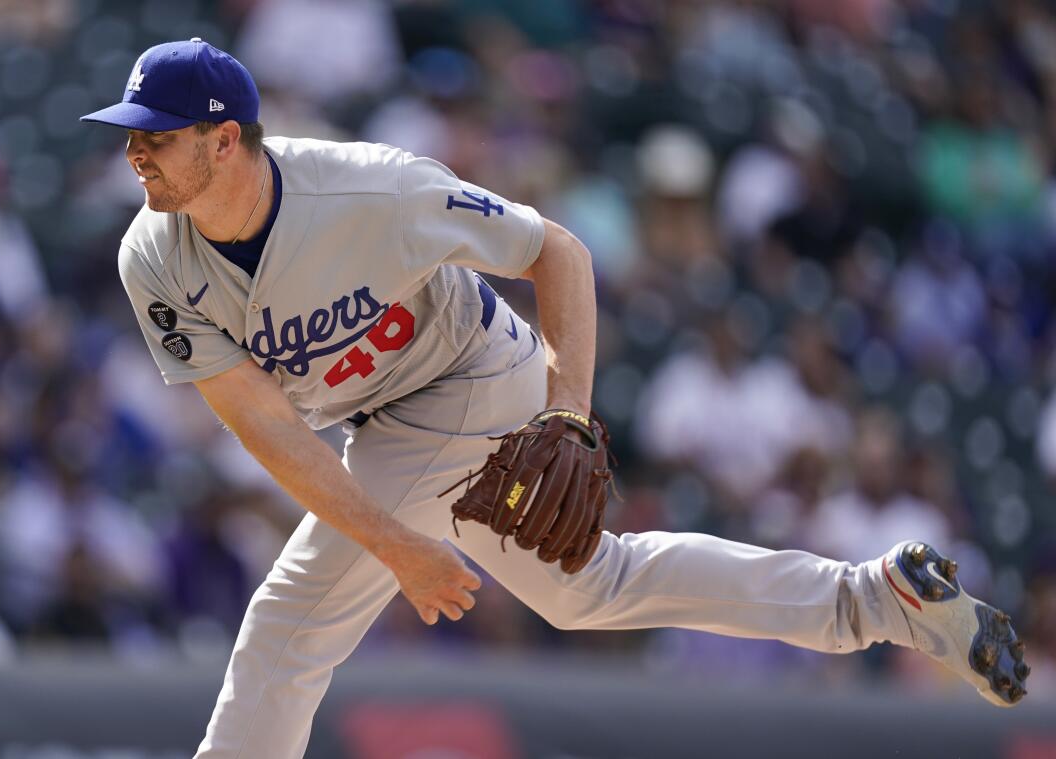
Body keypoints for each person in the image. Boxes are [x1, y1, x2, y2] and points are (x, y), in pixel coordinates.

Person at [80, 39, 1029, 759]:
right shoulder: (153, 258)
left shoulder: (371, 190)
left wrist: (567, 411)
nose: (136, 156)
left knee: (289, 624)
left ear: (226, 138)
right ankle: (874, 598)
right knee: (592, 590)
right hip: (382, 415)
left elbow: (558, 252)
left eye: (155, 137)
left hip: (469, 375)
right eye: (130, 138)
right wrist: (398, 542)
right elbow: (267, 426)